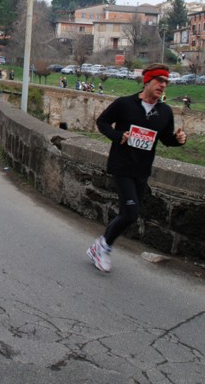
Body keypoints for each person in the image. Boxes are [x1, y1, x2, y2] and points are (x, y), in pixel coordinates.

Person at [86, 63, 187, 273]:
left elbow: (167, 139)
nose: (163, 85)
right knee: (131, 213)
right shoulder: (125, 104)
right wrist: (118, 136)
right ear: (147, 82)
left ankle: (100, 246)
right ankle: (102, 247)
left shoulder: (165, 112)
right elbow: (102, 122)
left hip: (142, 169)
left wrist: (179, 140)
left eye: (166, 82)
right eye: (159, 81)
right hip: (121, 165)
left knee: (128, 212)